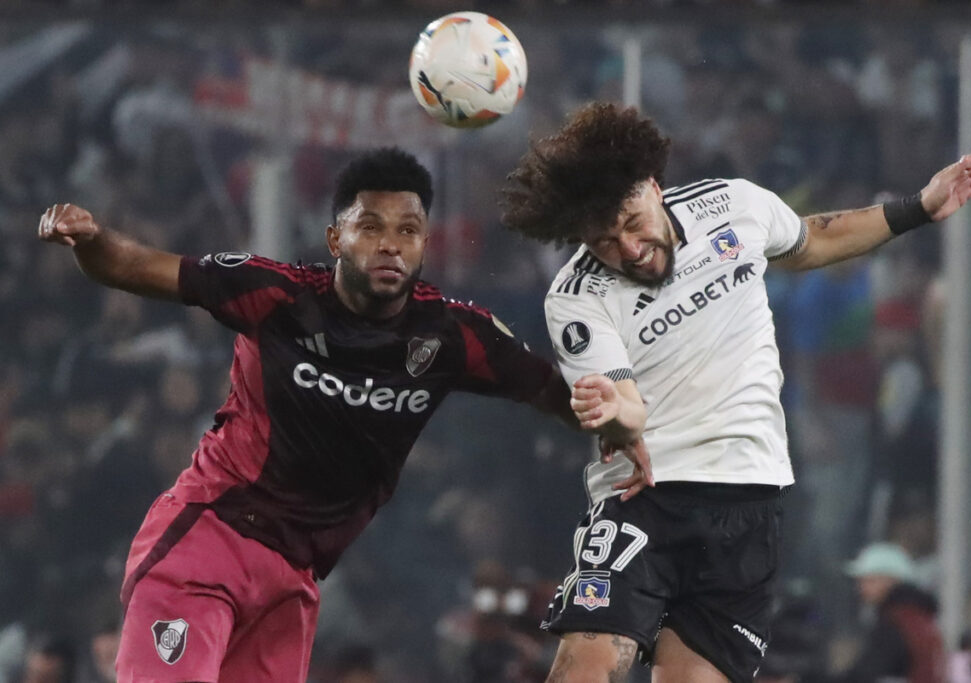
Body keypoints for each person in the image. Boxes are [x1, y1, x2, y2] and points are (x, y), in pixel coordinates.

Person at [37, 147, 651, 683]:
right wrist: (92, 241)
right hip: (208, 541)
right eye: (371, 227)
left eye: (409, 230)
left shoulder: (452, 336)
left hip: (292, 581)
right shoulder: (274, 295)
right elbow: (135, 266)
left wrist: (622, 425)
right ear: (336, 239)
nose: (391, 243)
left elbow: (558, 394)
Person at [500, 101, 971, 683]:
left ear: (654, 187)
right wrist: (616, 417)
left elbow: (810, 239)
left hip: (749, 498)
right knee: (584, 667)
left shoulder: (732, 203)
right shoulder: (576, 296)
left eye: (633, 223)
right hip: (647, 499)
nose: (630, 249)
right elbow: (625, 401)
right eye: (606, 241)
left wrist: (918, 208)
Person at [837, 542, 944, 683]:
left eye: (870, 580)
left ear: (891, 580)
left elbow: (866, 674)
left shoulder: (897, 621)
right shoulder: (921, 617)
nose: (861, 588)